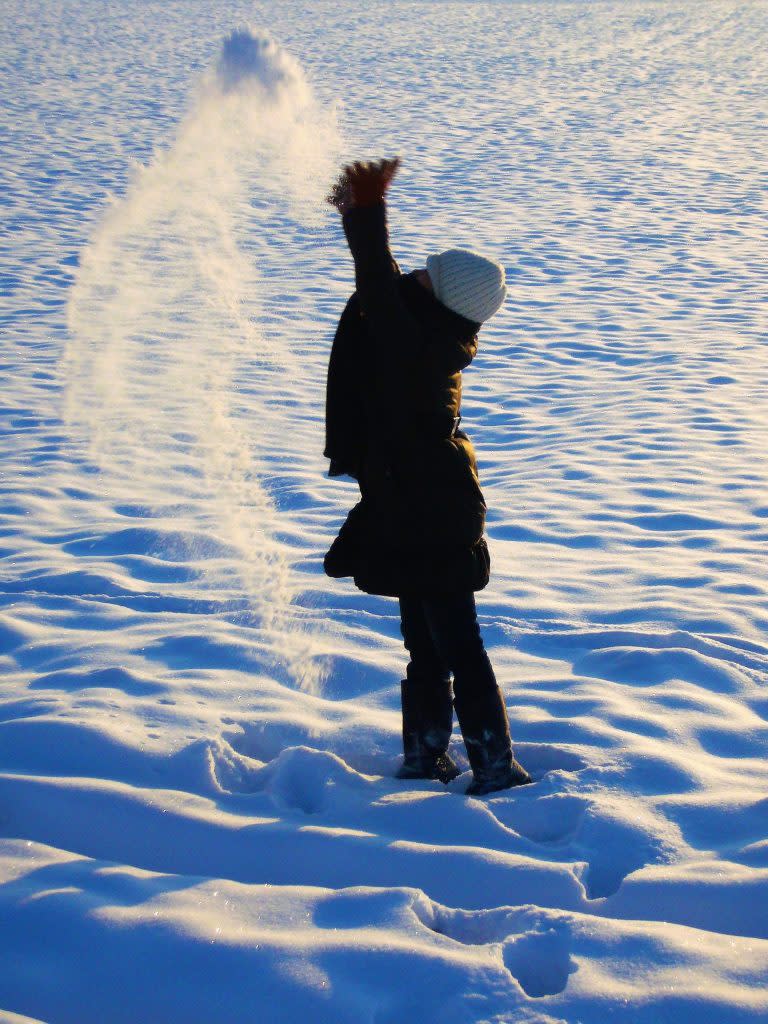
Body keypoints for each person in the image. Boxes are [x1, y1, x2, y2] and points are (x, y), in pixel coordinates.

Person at [323, 157, 531, 796]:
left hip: (432, 510)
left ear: (439, 296)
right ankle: (425, 755)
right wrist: (359, 218)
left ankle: (494, 763)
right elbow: (386, 286)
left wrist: (365, 212)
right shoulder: (427, 333)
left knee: (456, 640)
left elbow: (378, 286)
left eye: (428, 273)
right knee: (424, 641)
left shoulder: (414, 345)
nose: (414, 271)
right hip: (413, 504)